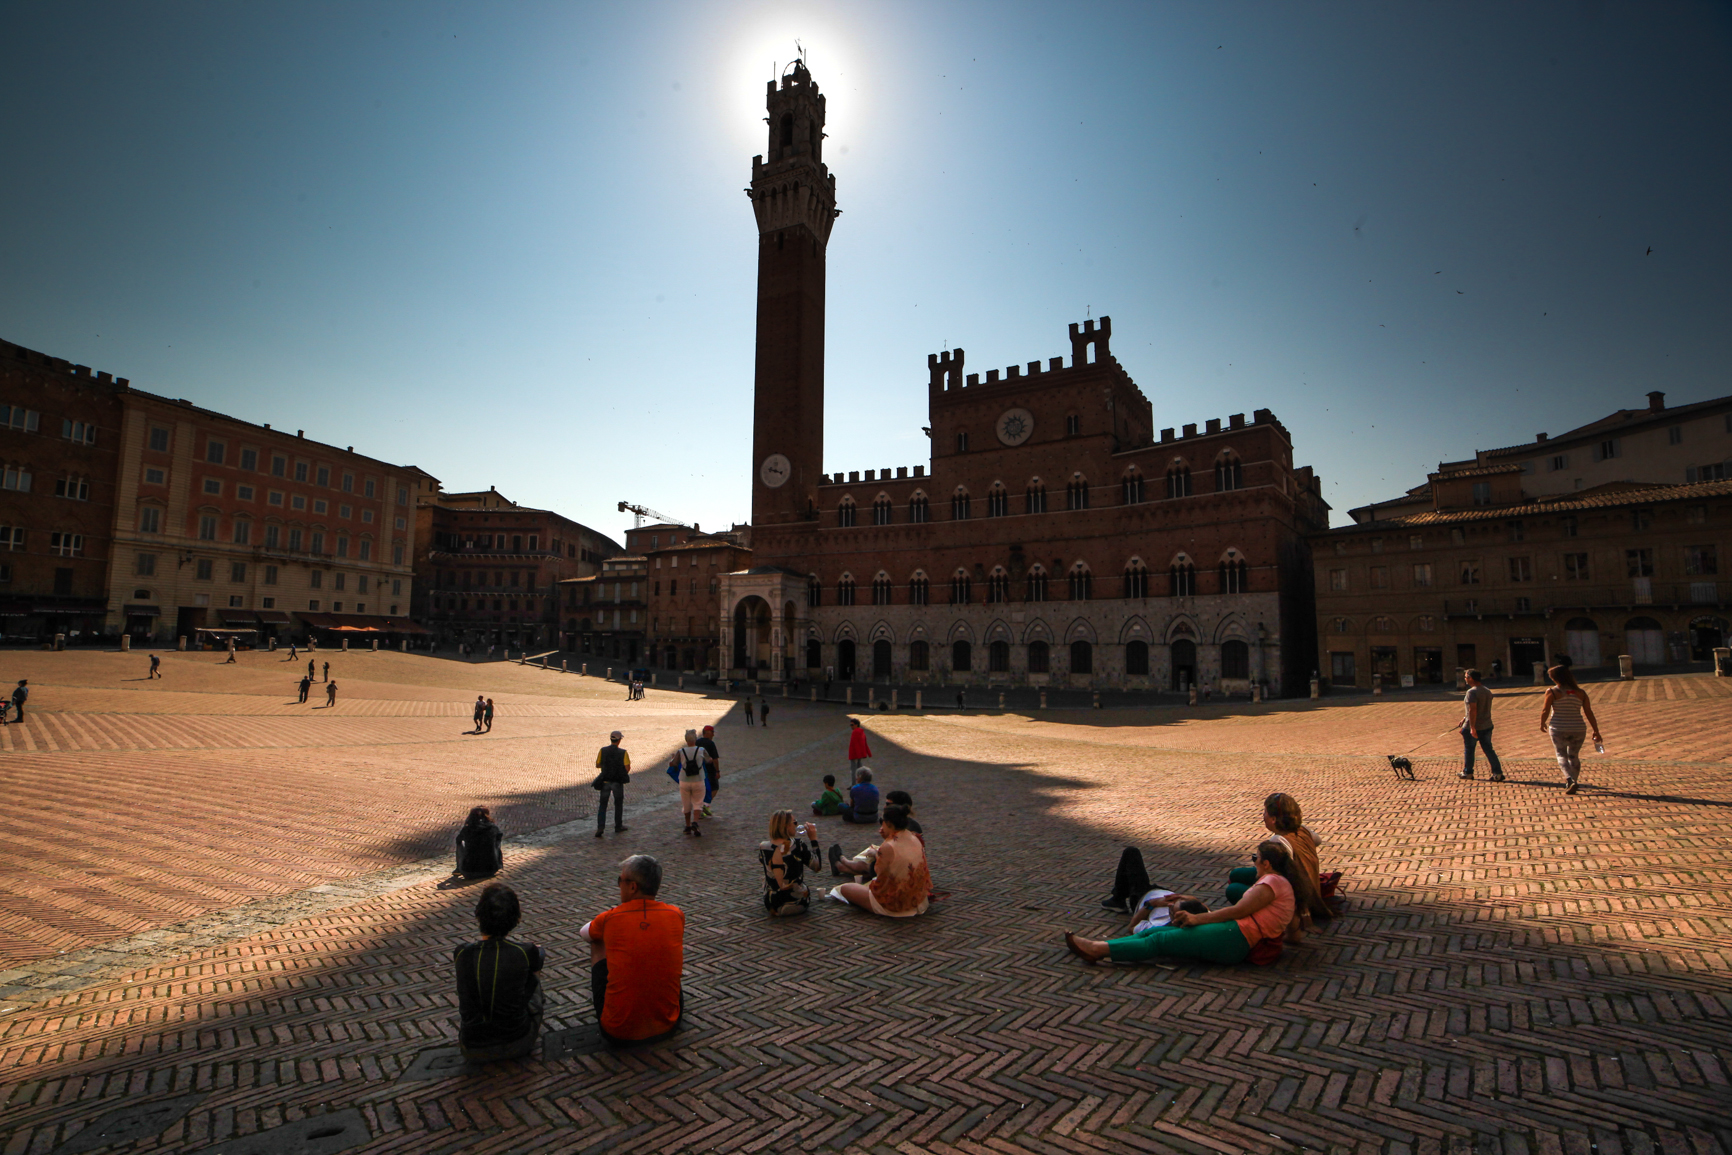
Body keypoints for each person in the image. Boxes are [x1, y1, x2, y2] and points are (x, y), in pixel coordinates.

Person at [1064, 840, 1299, 966]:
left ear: (1266, 863)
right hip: (1235, 934)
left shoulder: (1272, 883)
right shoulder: (1277, 882)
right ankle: (1099, 945)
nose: (1254, 862)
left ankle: (1097, 950)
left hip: (1237, 938)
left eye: (1255, 858)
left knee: (1160, 940)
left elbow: (1238, 911)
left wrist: (1198, 917)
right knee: (1158, 933)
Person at [580, 855, 683, 1044]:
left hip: (618, 1031)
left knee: (597, 941)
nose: (619, 885)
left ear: (633, 886)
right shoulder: (676, 914)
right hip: (669, 1024)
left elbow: (584, 933)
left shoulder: (609, 918)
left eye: (620, 880)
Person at [453, 885, 545, 1063]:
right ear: (516, 918)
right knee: (535, 966)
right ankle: (524, 1014)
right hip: (518, 1042)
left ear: (479, 915)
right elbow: (536, 959)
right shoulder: (525, 951)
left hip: (471, 1046)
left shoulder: (462, 953)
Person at [1224, 794, 1330, 926]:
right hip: (1301, 883)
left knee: (1233, 890)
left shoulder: (1278, 841)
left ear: (1274, 819)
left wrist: (1304, 912)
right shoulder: (1304, 830)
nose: (1263, 816)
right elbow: (1317, 840)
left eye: (1265, 813)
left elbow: (1289, 879)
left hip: (1295, 893)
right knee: (1236, 874)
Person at [830, 806, 930, 918]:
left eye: (882, 822)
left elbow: (878, 873)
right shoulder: (914, 837)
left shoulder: (888, 846)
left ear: (888, 823)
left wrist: (884, 844)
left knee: (845, 888)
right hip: (919, 900)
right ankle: (841, 864)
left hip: (895, 904)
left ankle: (840, 864)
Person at [1538, 664, 1602, 795]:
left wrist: (1542, 722)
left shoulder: (1552, 692)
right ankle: (1575, 780)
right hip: (1578, 727)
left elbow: (1546, 709)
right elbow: (1589, 712)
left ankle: (1569, 780)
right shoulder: (1581, 693)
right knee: (1574, 756)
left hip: (1558, 727)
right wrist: (1596, 730)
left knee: (1561, 754)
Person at [830, 790, 922, 878]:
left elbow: (897, 853)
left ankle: (841, 860)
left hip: (900, 869)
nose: (885, 807)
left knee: (867, 866)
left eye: (888, 804)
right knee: (869, 868)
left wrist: (876, 853)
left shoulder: (905, 827)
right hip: (906, 866)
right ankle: (840, 866)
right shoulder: (909, 825)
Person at [760, 810, 818, 916]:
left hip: (772, 904)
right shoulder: (798, 845)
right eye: (794, 823)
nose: (796, 826)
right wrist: (813, 840)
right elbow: (816, 866)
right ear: (786, 826)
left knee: (767, 875)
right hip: (797, 903)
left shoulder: (764, 847)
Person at [1458, 668, 1505, 781]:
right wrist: (1465, 718)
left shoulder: (1471, 692)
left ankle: (1468, 772)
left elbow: (1473, 710)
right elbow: (1480, 708)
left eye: (1466, 677)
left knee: (1469, 750)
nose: (1465, 679)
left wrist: (1472, 727)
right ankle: (1497, 773)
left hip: (1474, 726)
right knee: (1489, 750)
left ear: (1471, 678)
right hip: (1487, 725)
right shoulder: (1487, 690)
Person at [594, 731, 631, 837]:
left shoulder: (603, 750)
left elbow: (597, 764)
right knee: (618, 804)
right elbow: (627, 767)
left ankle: (600, 827)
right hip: (617, 782)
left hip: (605, 781)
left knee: (603, 805)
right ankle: (618, 826)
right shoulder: (623, 752)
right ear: (619, 740)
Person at [454, 806, 504, 877]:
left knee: (459, 843)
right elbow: (499, 839)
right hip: (491, 870)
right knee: (496, 842)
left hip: (469, 871)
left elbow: (458, 840)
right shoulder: (493, 828)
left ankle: (458, 868)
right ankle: (498, 863)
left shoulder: (467, 829)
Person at [676, 729, 708, 836]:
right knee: (698, 803)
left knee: (686, 804)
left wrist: (672, 759)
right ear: (695, 739)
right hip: (698, 779)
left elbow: (673, 764)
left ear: (686, 739)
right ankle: (695, 822)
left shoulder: (681, 751)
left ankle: (687, 825)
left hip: (684, 780)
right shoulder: (701, 750)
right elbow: (709, 760)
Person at [696, 724, 720, 817]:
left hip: (698, 769)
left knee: (701, 789)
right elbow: (715, 759)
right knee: (714, 788)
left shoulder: (697, 742)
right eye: (712, 732)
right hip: (709, 770)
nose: (713, 735)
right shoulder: (710, 743)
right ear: (708, 733)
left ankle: (701, 807)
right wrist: (717, 771)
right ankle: (705, 805)